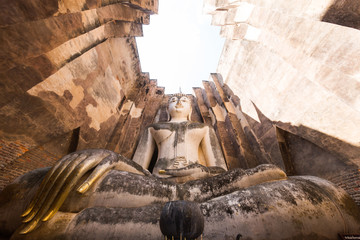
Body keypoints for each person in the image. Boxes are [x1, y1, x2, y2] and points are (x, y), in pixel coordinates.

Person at [1, 94, 359, 240]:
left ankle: (78, 228)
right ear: (165, 106)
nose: (178, 101)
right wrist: (108, 157)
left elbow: (220, 169)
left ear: (192, 105)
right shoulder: (154, 128)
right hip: (153, 188)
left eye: (184, 98)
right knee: (37, 185)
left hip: (208, 187)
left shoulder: (204, 128)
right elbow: (138, 167)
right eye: (173, 98)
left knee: (307, 187)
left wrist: (205, 177)